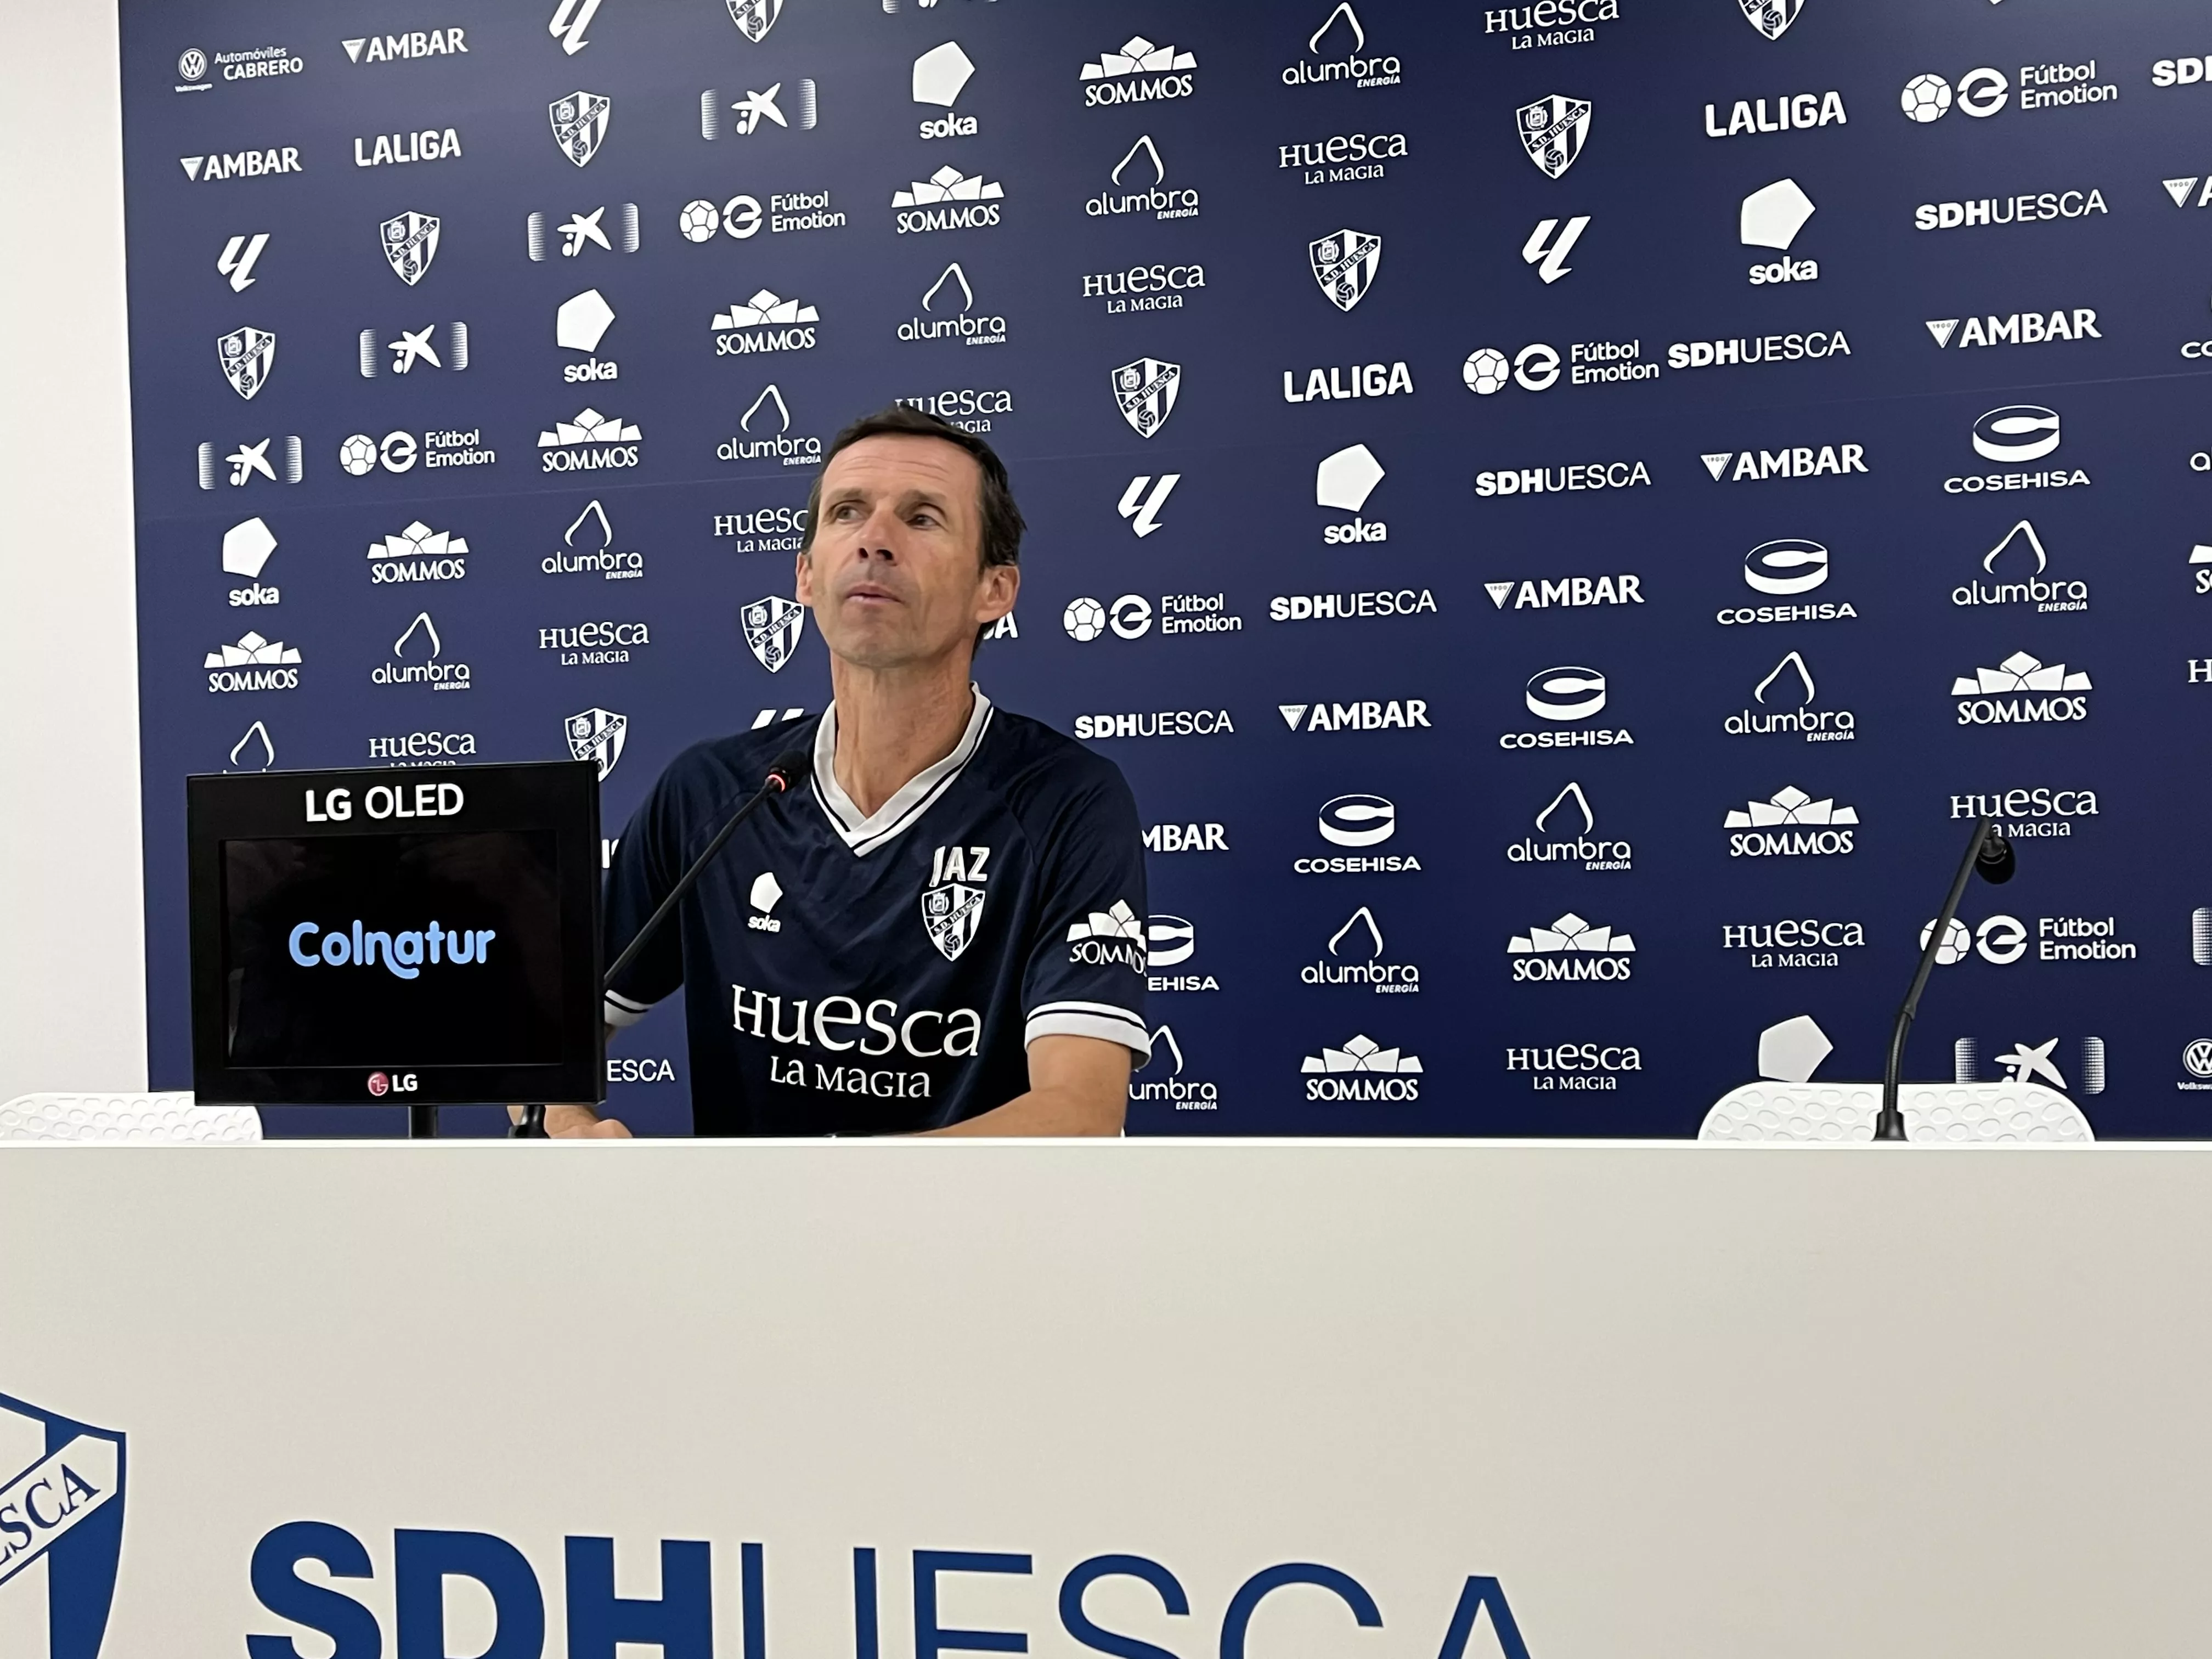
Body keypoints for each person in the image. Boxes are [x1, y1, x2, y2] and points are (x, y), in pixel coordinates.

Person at [545, 405, 1148, 1137]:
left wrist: (834, 1204)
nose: (875, 541)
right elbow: (536, 1047)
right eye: (847, 513)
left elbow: (1081, 1112)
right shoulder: (709, 795)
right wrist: (568, 1129)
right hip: (746, 1251)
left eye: (922, 519)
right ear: (804, 575)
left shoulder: (1065, 800)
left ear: (996, 591)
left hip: (974, 1244)